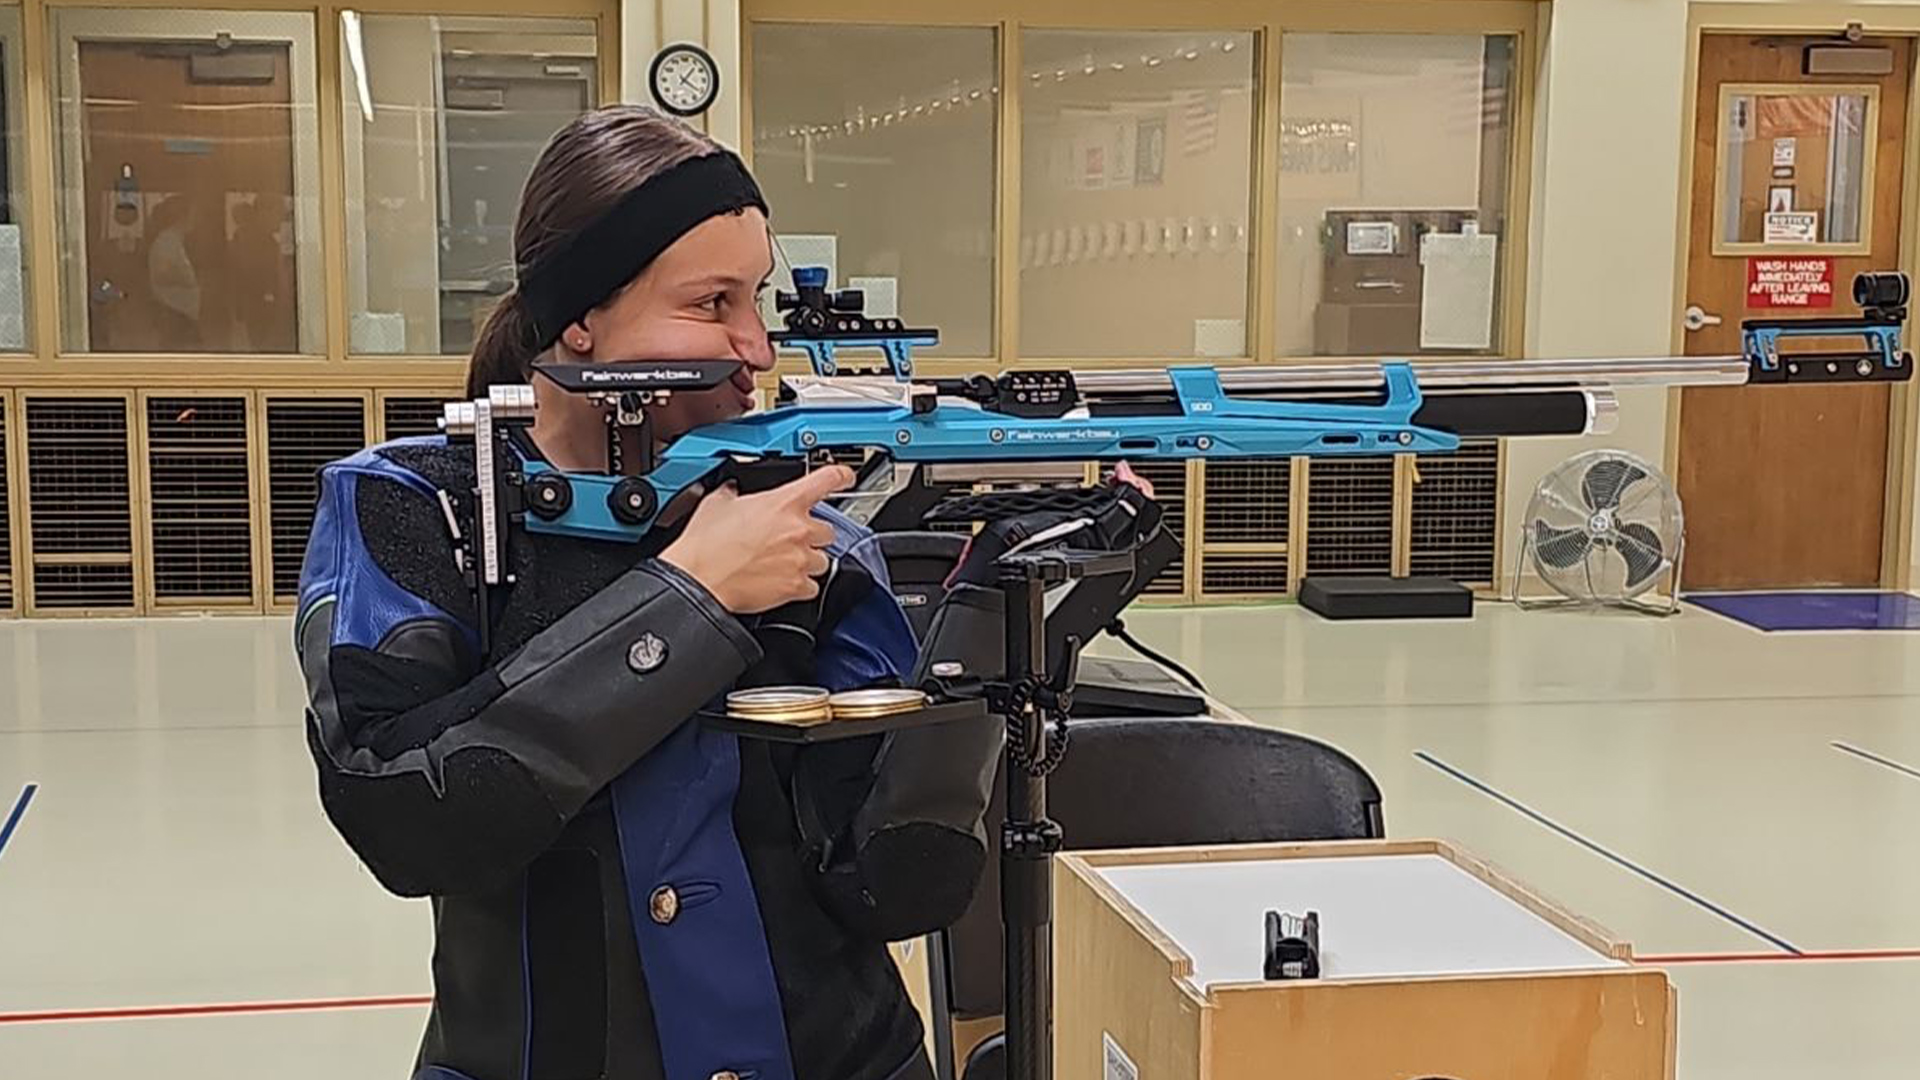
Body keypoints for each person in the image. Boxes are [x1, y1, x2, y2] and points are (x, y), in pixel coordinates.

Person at [293, 104, 1005, 1080]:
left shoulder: (811, 538)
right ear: (581, 315)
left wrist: (991, 630)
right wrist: (691, 597)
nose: (758, 348)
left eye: (757, 301)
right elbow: (408, 822)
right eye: (713, 304)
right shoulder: (421, 509)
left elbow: (898, 888)